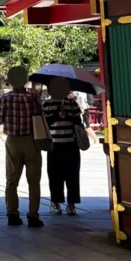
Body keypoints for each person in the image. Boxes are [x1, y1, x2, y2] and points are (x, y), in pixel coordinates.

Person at [0, 65, 44, 228]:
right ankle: (33, 215)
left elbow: (0, 120)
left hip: (13, 141)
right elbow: (40, 117)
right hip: (32, 140)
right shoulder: (33, 98)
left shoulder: (5, 99)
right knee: (34, 180)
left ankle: (13, 214)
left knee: (12, 180)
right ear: (25, 80)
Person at [43, 76, 85, 215]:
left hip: (71, 143)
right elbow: (45, 123)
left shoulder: (72, 104)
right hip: (54, 145)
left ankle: (71, 202)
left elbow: (79, 122)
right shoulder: (46, 104)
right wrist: (56, 114)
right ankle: (55, 201)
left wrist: (67, 115)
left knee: (72, 174)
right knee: (55, 175)